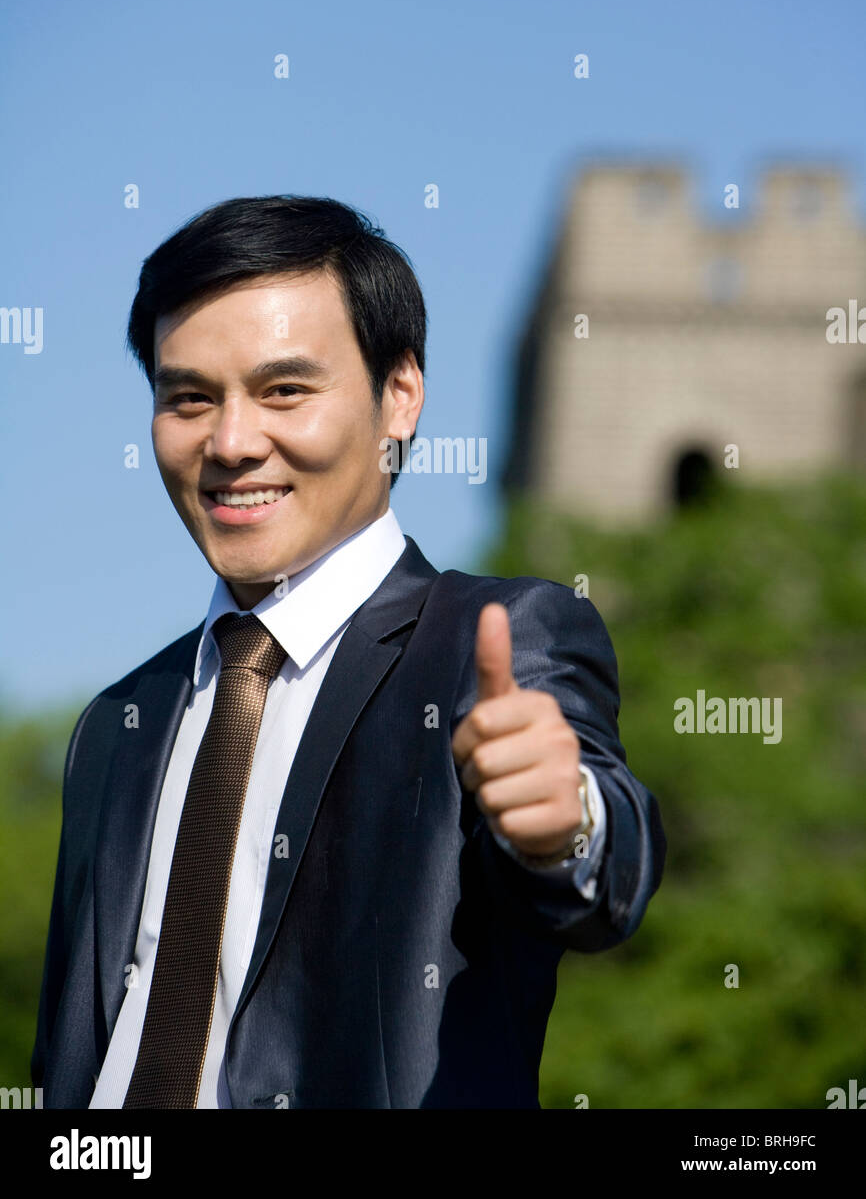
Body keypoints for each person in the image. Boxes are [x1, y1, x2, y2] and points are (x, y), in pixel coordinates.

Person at [31, 195, 666, 1109]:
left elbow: (605, 878)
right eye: (189, 399)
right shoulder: (119, 722)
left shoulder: (495, 640)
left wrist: (566, 818)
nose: (232, 443)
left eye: (285, 390)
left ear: (398, 395)